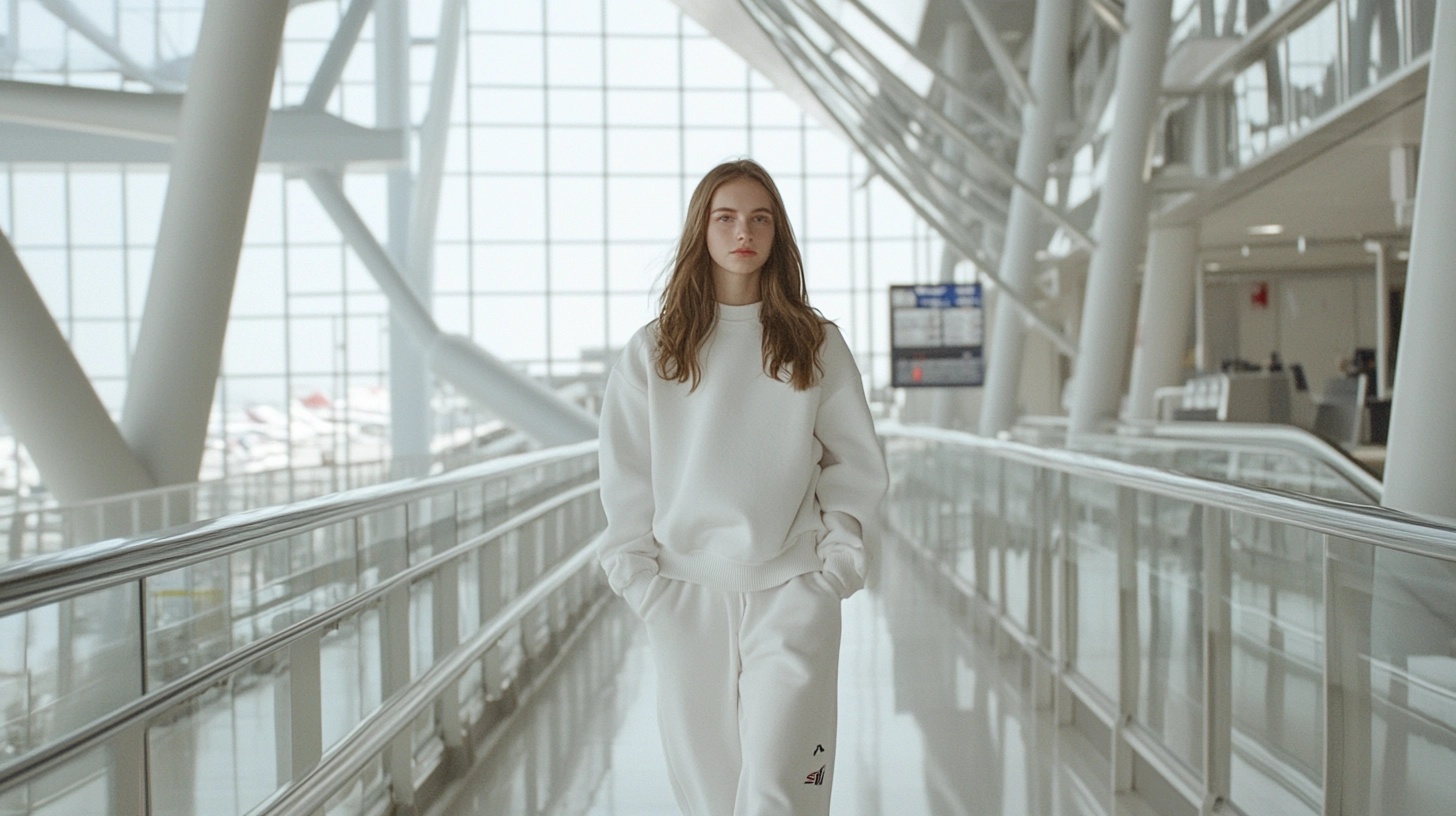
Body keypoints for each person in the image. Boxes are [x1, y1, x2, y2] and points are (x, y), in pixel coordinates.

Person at [595, 158, 888, 815]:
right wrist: (641, 582)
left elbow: (854, 462)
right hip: (684, 592)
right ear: (702, 230)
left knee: (783, 791)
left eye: (760, 218)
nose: (743, 231)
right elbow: (628, 471)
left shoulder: (815, 343)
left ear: (777, 233)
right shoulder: (656, 350)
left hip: (794, 588)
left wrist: (837, 568)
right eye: (725, 217)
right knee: (709, 796)